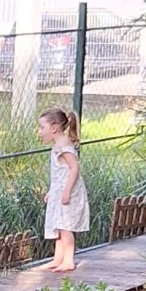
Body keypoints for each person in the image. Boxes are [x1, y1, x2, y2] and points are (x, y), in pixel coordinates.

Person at [39, 106, 90, 271]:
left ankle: (68, 260)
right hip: (59, 191)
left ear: (54, 128)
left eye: (42, 128)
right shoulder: (58, 145)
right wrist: (52, 191)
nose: (39, 132)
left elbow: (74, 167)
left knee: (65, 226)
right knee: (59, 225)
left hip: (68, 192)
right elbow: (60, 173)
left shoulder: (64, 146)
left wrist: (67, 191)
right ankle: (58, 258)